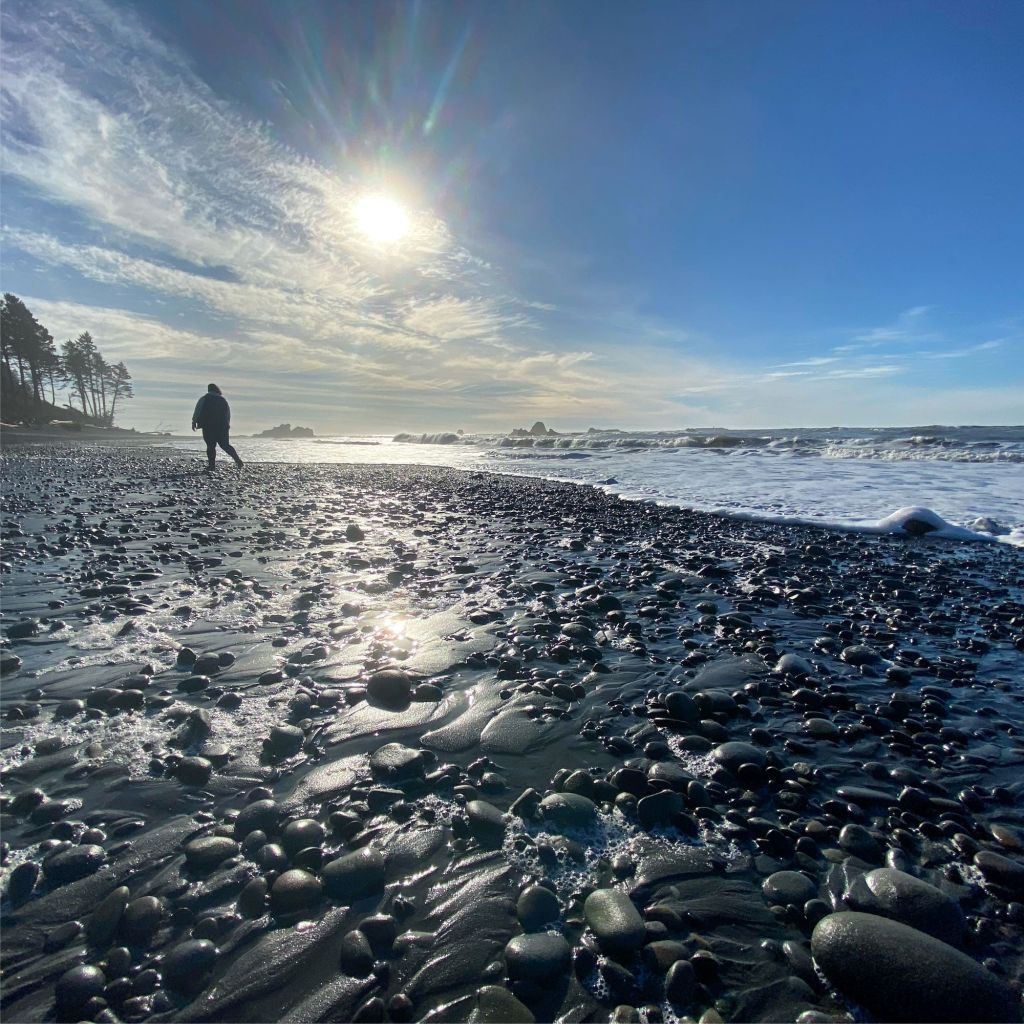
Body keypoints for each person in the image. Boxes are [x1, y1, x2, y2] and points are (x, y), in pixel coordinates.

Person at [192, 383, 243, 473]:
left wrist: (194, 422)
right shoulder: (223, 400)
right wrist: (227, 425)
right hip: (222, 427)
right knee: (225, 445)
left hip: (208, 426)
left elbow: (198, 410)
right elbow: (228, 414)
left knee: (211, 446)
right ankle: (238, 461)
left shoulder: (205, 398)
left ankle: (212, 466)